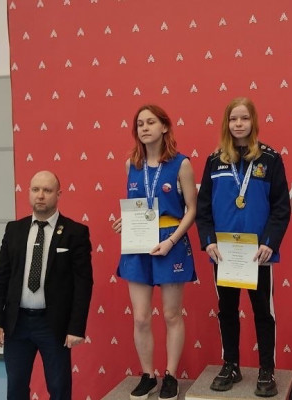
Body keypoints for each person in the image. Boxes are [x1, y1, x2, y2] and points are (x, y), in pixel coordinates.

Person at [196, 97, 291, 397]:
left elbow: (281, 207)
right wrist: (209, 242)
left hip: (258, 254)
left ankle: (266, 370)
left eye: (244, 118)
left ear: (253, 122)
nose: (239, 124)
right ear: (226, 123)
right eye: (233, 118)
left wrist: (269, 243)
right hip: (224, 254)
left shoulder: (270, 159)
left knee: (263, 312)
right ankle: (231, 365)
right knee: (227, 310)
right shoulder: (214, 161)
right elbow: (203, 208)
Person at [112, 104, 197, 400]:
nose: (144, 128)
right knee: (140, 317)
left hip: (170, 242)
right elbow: (137, 206)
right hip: (138, 244)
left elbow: (192, 209)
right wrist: (126, 221)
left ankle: (171, 376)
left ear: (164, 126)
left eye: (150, 122)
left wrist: (171, 241)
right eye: (140, 124)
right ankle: (148, 375)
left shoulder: (181, 164)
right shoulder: (131, 165)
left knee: (172, 314)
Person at [0, 170, 93, 400]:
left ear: (59, 194)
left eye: (47, 190)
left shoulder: (75, 232)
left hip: (53, 325)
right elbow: (0, 278)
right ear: (29, 192)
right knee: (15, 389)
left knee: (59, 388)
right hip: (17, 323)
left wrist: (76, 327)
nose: (41, 195)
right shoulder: (14, 229)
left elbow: (83, 284)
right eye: (35, 189)